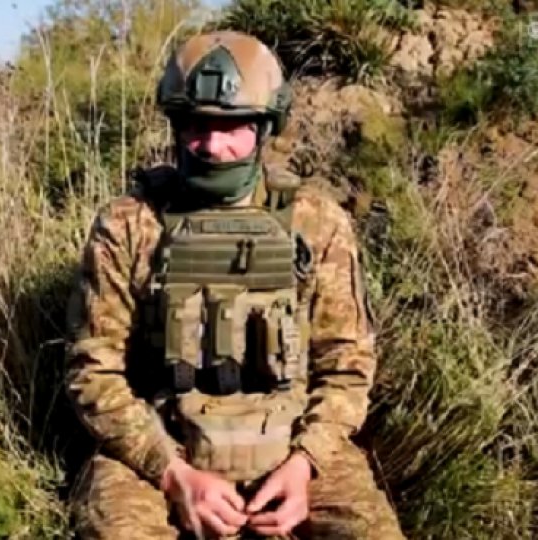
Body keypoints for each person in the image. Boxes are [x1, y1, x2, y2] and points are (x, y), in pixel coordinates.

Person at [64, 30, 405, 540]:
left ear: (266, 126)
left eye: (232, 126)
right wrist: (170, 472)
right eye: (196, 125)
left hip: (292, 445)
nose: (212, 145)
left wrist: (305, 463)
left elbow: (346, 364)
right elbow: (93, 370)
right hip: (164, 442)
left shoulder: (315, 222)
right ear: (176, 124)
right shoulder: (130, 224)